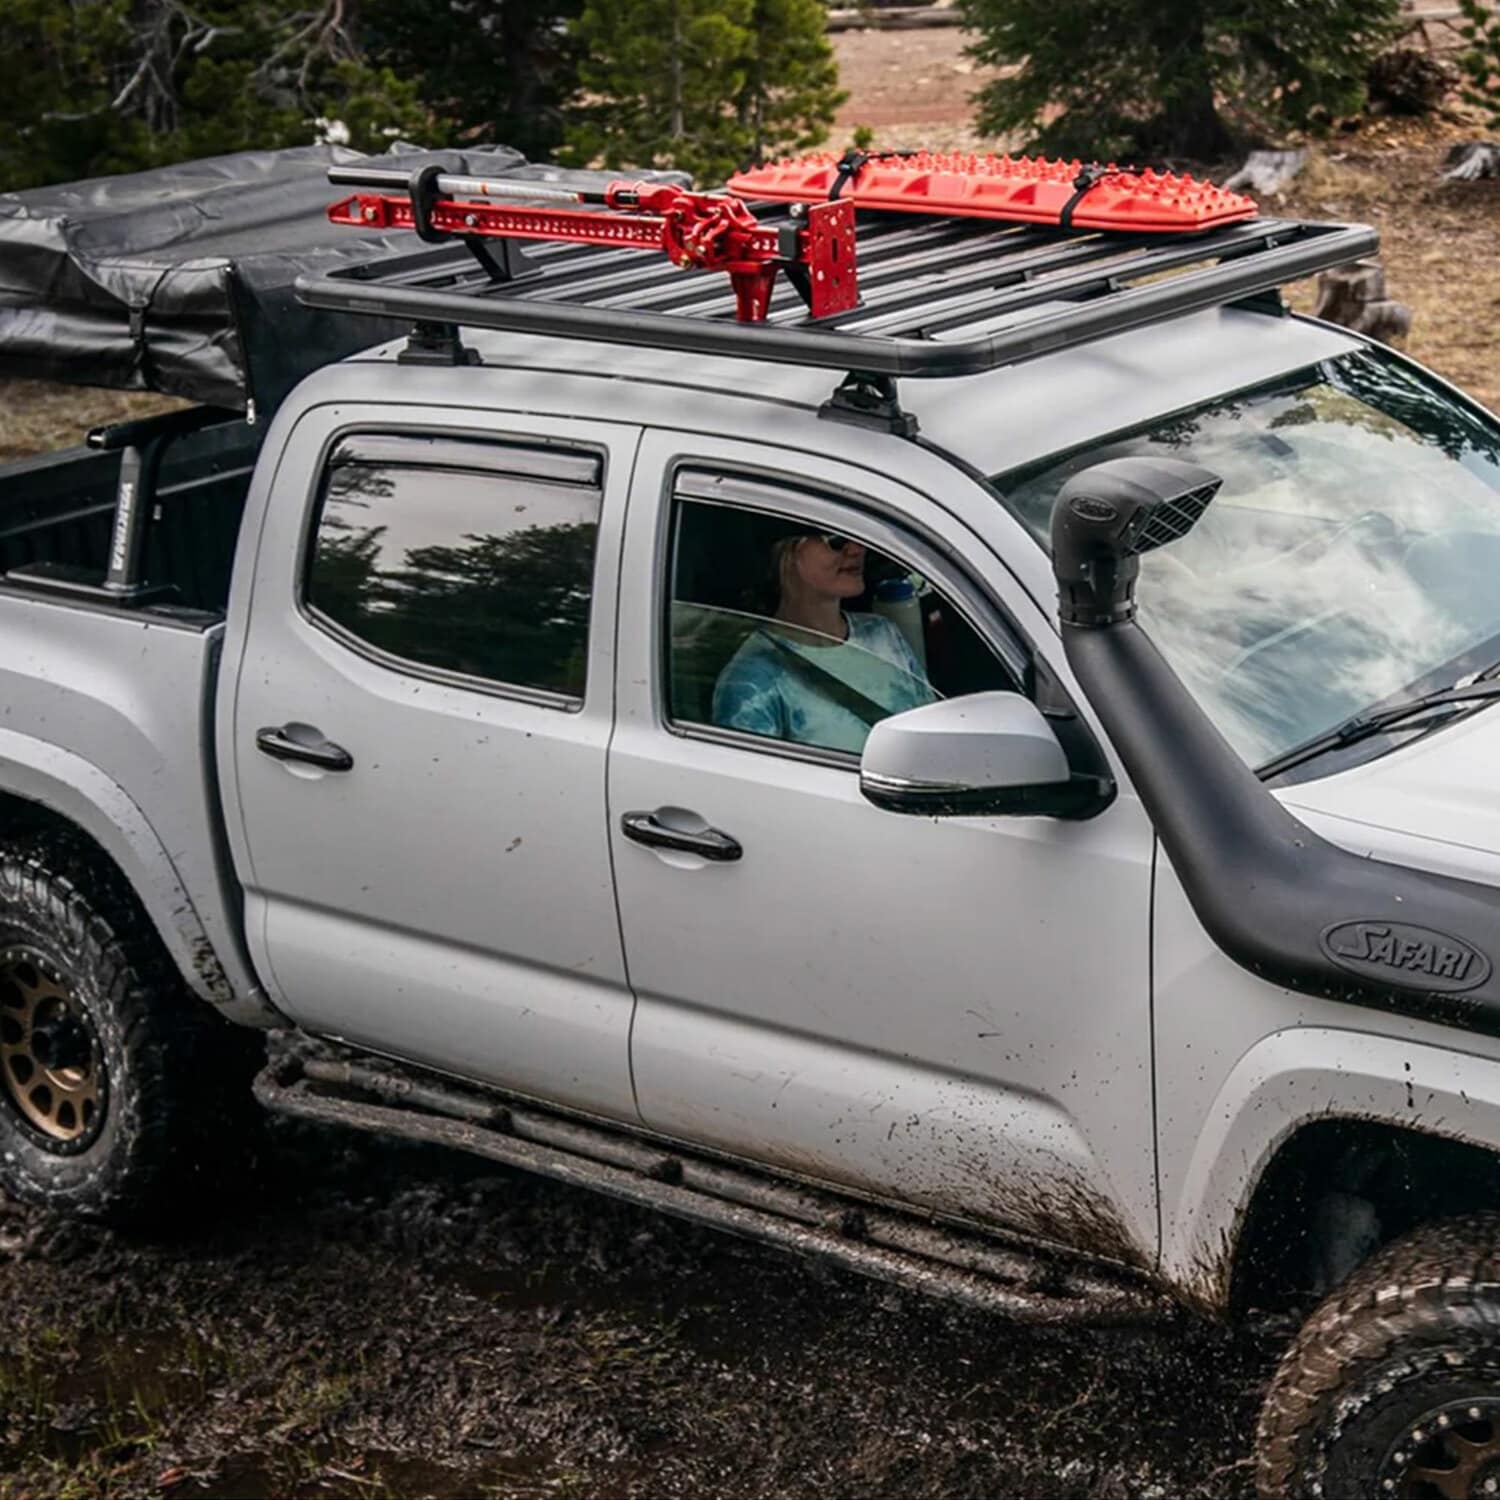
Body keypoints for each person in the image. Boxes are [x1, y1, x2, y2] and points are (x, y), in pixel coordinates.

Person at [712, 528, 936, 754]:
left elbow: (934, 729)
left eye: (858, 535)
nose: (858, 549)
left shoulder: (882, 632)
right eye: (835, 539)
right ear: (787, 553)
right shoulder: (751, 681)